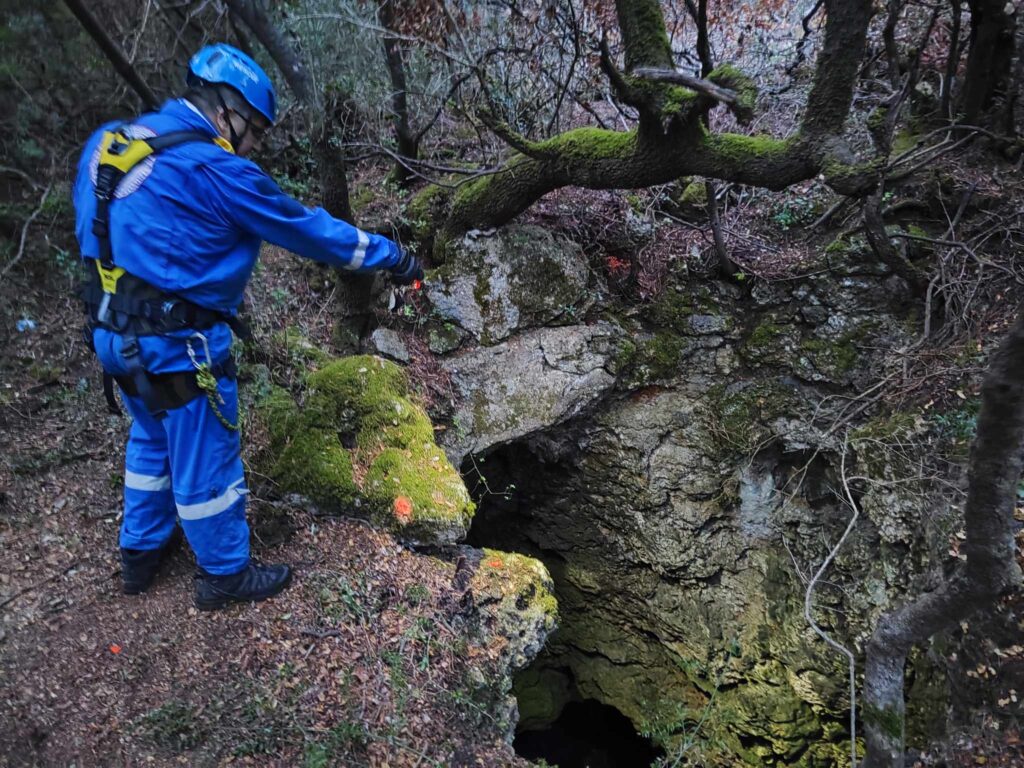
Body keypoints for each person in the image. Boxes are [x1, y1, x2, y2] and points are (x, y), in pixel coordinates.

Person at [72, 43, 422, 610]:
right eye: (256, 129)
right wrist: (391, 256)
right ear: (226, 109)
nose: (256, 145)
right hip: (177, 344)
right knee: (206, 452)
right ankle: (225, 573)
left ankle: (139, 556)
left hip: (112, 336)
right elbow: (308, 229)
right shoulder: (216, 169)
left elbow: (99, 231)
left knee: (150, 436)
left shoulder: (108, 145)